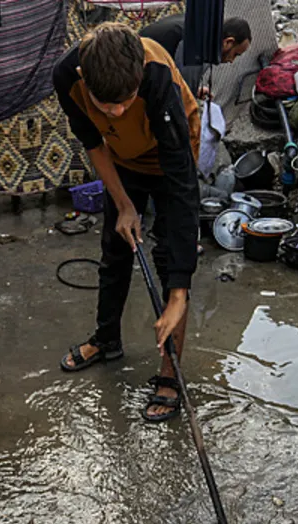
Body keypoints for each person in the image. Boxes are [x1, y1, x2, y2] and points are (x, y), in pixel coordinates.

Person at [53, 23, 201, 423]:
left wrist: (178, 293)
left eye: (126, 100)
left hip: (171, 154)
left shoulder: (158, 79)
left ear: (140, 78)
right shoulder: (67, 77)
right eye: (106, 104)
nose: (117, 112)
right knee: (116, 247)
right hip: (122, 158)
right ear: (84, 78)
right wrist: (123, 205)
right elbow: (93, 143)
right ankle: (106, 340)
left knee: (170, 257)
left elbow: (182, 189)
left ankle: (170, 373)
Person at [139, 15, 253, 98]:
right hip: (136, 73)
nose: (232, 61)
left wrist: (194, 90)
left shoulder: (202, 28)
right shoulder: (199, 44)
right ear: (228, 42)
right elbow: (183, 96)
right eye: (235, 54)